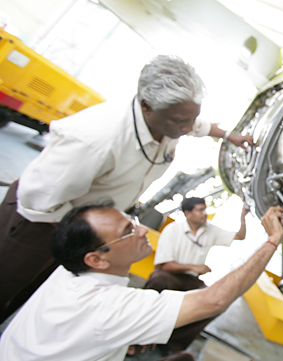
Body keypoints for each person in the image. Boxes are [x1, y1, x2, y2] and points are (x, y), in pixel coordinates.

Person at [0, 55, 254, 323]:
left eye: (193, 118)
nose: (188, 127)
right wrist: (80, 234)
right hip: (38, 223)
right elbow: (37, 199)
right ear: (147, 107)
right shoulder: (96, 139)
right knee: (8, 281)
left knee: (33, 292)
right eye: (181, 121)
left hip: (82, 230)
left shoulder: (169, 119)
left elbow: (197, 125)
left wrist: (229, 136)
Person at [0, 204, 283, 361]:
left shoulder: (67, 270)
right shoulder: (108, 307)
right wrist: (272, 240)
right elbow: (214, 299)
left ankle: (152, 338)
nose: (141, 230)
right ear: (96, 259)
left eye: (132, 221)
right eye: (127, 231)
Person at [141, 197, 251, 353]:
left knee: (217, 301)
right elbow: (164, 265)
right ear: (187, 213)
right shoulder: (172, 230)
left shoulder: (211, 230)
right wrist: (195, 267)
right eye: (200, 210)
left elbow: (240, 236)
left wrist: (243, 217)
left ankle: (170, 345)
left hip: (191, 280)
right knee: (159, 280)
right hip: (169, 274)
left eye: (205, 209)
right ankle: (141, 328)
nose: (204, 213)